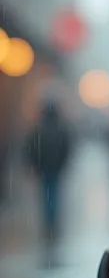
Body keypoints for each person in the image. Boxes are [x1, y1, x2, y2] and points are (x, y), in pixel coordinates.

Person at [24, 97, 72, 240]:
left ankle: (48, 220)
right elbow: (66, 147)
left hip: (44, 167)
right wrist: (62, 163)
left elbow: (31, 148)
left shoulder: (39, 128)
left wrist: (34, 164)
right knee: (54, 193)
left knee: (46, 193)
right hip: (54, 167)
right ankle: (52, 220)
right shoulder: (60, 128)